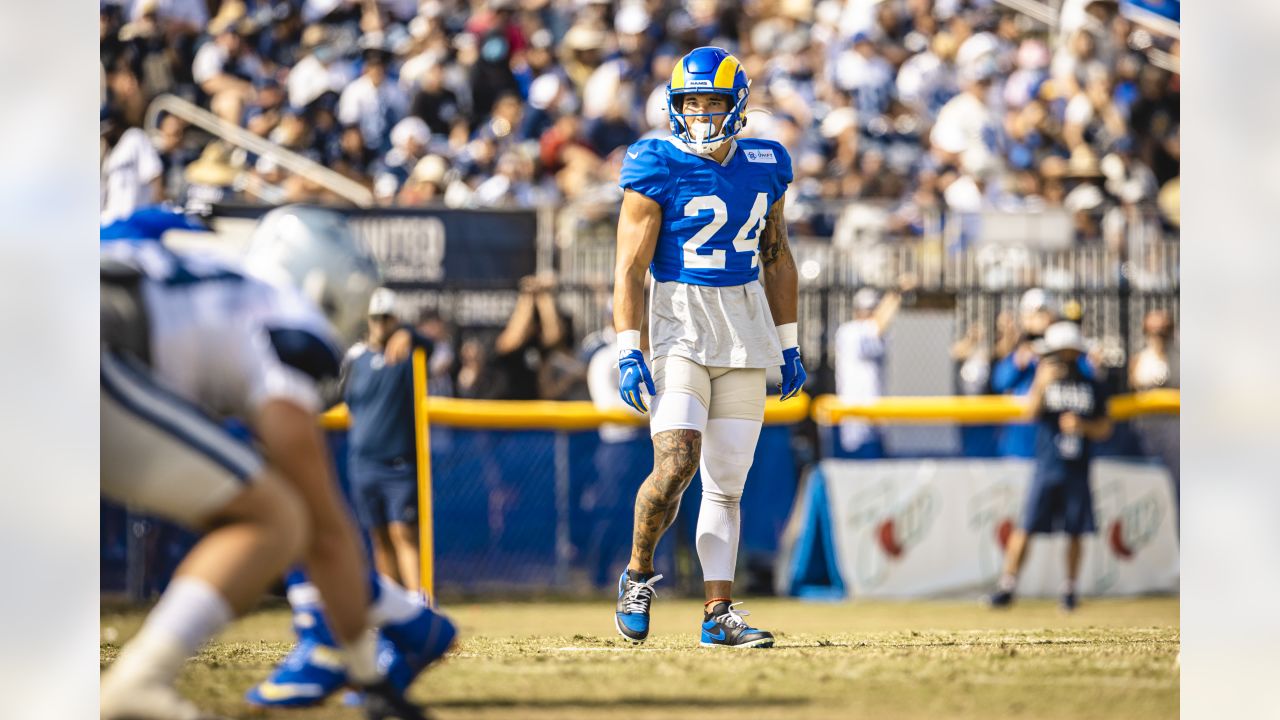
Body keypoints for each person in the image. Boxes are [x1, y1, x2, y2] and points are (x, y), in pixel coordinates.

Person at [98, 206, 437, 720]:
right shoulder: (285, 317)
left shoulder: (206, 257)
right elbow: (321, 526)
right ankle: (140, 683)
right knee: (277, 515)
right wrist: (370, 675)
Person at [611, 47, 805, 649]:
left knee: (726, 484)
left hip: (745, 330)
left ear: (736, 106)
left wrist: (790, 343)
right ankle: (639, 573)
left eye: (712, 101)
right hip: (679, 325)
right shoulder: (654, 161)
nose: (699, 113)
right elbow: (628, 268)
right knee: (675, 464)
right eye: (690, 101)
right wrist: (627, 346)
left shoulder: (767, 162)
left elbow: (776, 256)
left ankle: (718, 614)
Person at [990, 321, 1113, 612]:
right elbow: (1029, 412)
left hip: (1077, 467)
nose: (1060, 359)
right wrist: (1042, 384)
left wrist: (1083, 426)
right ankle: (1007, 585)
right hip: (1047, 465)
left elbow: (1105, 427)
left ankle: (1069, 589)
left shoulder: (1091, 384)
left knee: (1074, 530)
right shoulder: (1043, 379)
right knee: (1026, 526)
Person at [341, 288, 435, 592]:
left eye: (387, 318)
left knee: (403, 533)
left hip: (398, 464)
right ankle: (392, 612)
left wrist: (411, 334)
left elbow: (439, 349)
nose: (381, 325)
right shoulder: (355, 358)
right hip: (364, 463)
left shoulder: (408, 354)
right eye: (376, 318)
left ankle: (418, 604)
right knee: (379, 537)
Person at [833, 283, 910, 458]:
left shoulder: (876, 332)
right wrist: (897, 291)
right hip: (856, 416)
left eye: (872, 309)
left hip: (877, 414)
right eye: (866, 309)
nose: (868, 313)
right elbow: (877, 325)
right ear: (857, 310)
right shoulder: (849, 331)